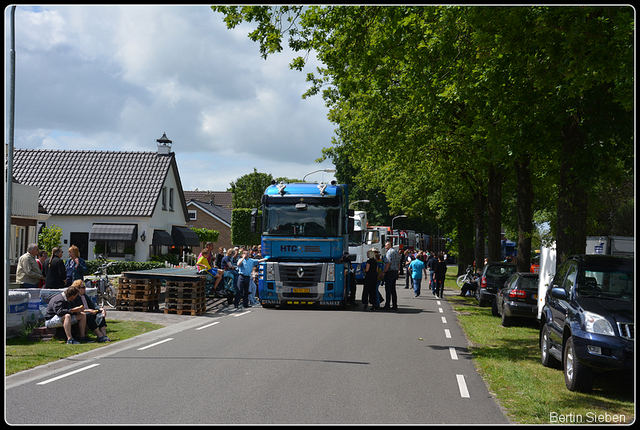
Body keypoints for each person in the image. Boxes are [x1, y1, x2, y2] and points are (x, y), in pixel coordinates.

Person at [382, 240, 400, 310]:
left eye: (387, 245)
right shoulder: (396, 252)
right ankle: (395, 305)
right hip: (395, 271)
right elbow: (398, 263)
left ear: (390, 245)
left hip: (389, 272)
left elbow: (388, 263)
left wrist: (384, 272)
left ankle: (387, 305)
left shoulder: (389, 252)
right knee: (393, 289)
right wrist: (398, 272)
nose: (386, 246)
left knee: (388, 289)